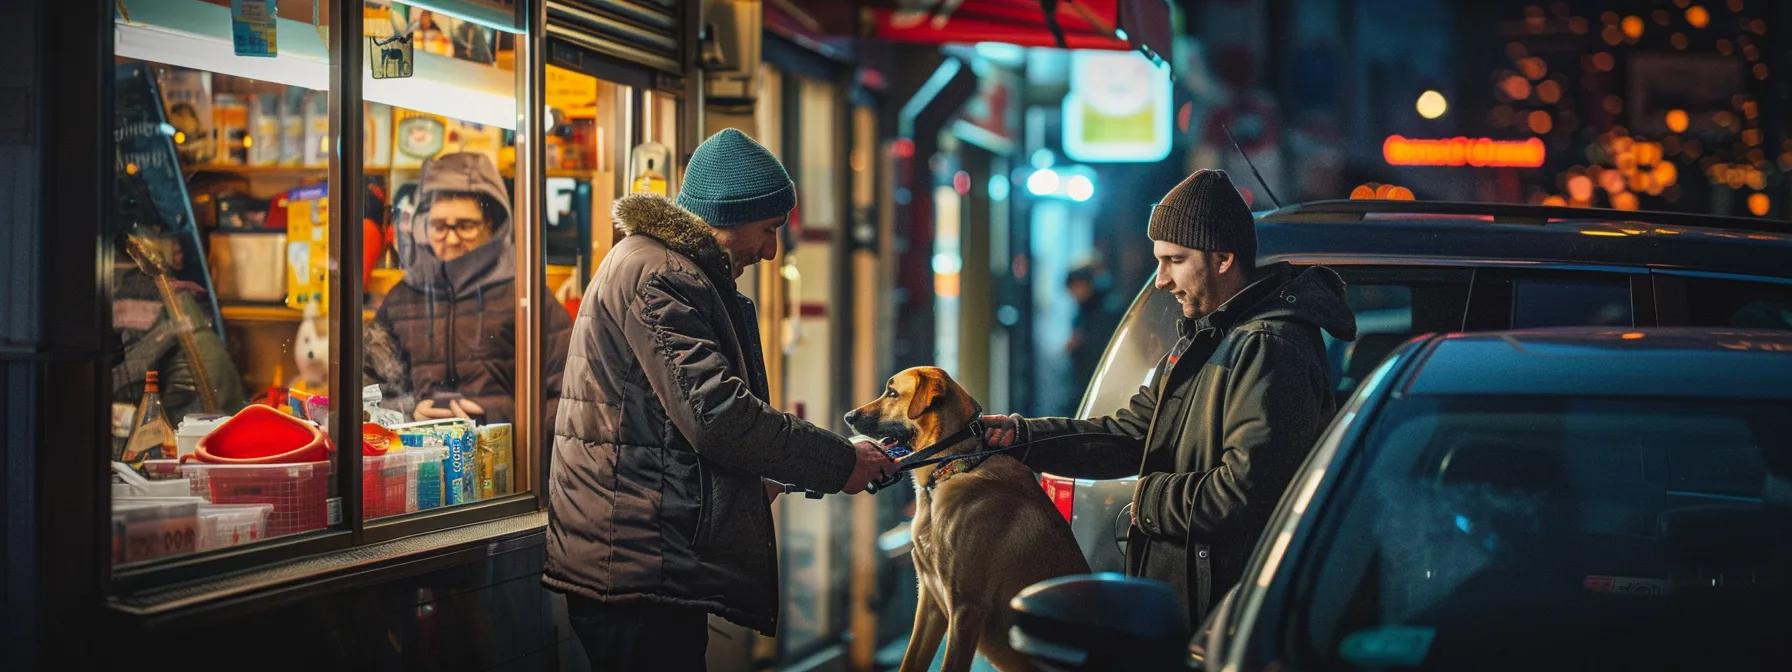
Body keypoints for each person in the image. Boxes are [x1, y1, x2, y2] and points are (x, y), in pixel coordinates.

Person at [544, 128, 895, 671]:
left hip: (642, 558)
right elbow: (718, 416)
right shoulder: (660, 275)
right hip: (638, 566)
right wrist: (841, 462)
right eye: (769, 228)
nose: (773, 250)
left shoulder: (668, 269)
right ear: (731, 214)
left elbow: (669, 424)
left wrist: (759, 477)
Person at [981, 169, 1357, 627]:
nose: (1160, 280)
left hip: (1226, 618)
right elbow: (1129, 435)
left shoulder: (1266, 346)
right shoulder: (1209, 339)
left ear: (1222, 257)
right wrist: (1021, 438)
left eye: (1174, 260)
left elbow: (1244, 492)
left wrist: (1150, 498)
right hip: (1191, 607)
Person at [365, 152, 572, 424]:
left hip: (510, 462)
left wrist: (500, 420)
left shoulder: (526, 296)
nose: (450, 238)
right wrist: (409, 412)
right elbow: (368, 392)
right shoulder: (403, 298)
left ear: (492, 225)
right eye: (439, 226)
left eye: (465, 226)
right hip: (422, 460)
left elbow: (571, 397)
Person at [1064, 260, 1123, 390]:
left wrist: (1081, 342)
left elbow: (1102, 343)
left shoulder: (1108, 308)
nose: (1074, 294)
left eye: (1076, 287)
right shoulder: (1082, 309)